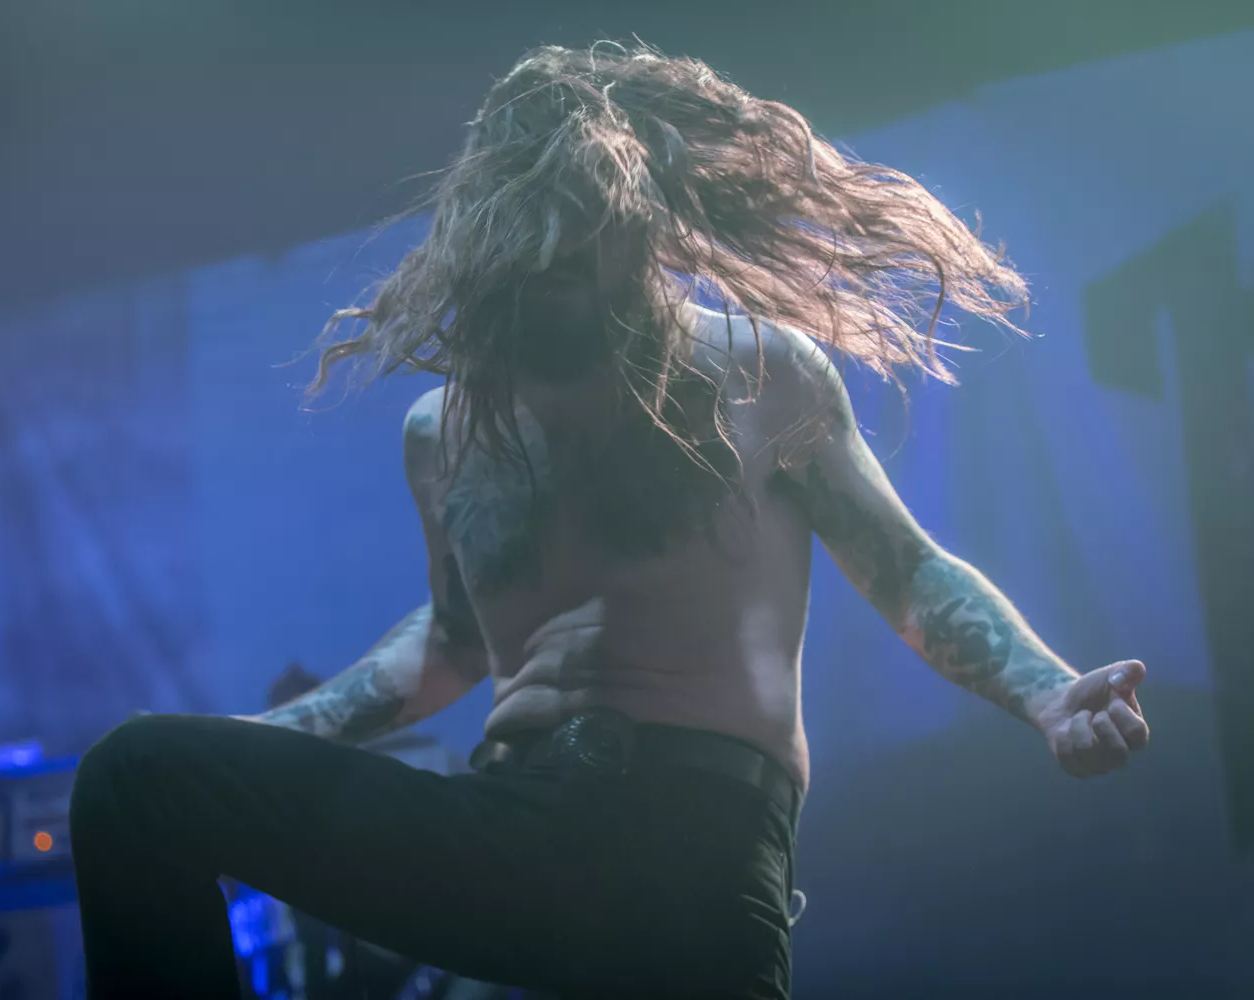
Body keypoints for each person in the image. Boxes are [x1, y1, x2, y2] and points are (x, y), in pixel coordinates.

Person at [68, 42, 1151, 999]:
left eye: (575, 260)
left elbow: (906, 569)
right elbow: (454, 640)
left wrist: (1048, 692)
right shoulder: (447, 429)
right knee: (139, 778)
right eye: (530, 272)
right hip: (508, 828)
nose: (556, 290)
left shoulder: (759, 372)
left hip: (692, 847)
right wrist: (266, 742)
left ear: (632, 236)